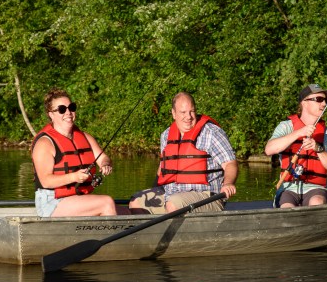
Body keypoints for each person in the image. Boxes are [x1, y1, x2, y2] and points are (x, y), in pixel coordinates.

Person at [129, 91, 238, 214]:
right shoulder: (166, 135)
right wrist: (154, 190)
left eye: (192, 111)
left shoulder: (212, 133)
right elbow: (162, 168)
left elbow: (230, 164)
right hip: (170, 195)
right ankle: (151, 233)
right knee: (136, 202)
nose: (189, 116)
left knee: (173, 204)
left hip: (207, 197)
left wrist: (228, 184)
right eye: (183, 112)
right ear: (173, 113)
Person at [31, 88, 121, 217]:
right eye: (62, 109)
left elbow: (103, 157)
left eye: (71, 107)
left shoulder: (84, 136)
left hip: (77, 197)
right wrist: (74, 177)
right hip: (52, 202)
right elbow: (46, 181)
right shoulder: (45, 143)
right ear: (51, 114)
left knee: (128, 211)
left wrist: (105, 164)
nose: (68, 112)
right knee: (106, 203)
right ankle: (113, 237)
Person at [264, 84, 327, 208]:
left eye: (325, 100)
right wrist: (299, 132)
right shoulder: (286, 127)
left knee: (317, 202)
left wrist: (318, 149)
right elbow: (269, 150)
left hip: (316, 188)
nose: (324, 104)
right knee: (287, 207)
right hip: (288, 189)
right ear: (304, 103)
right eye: (319, 100)